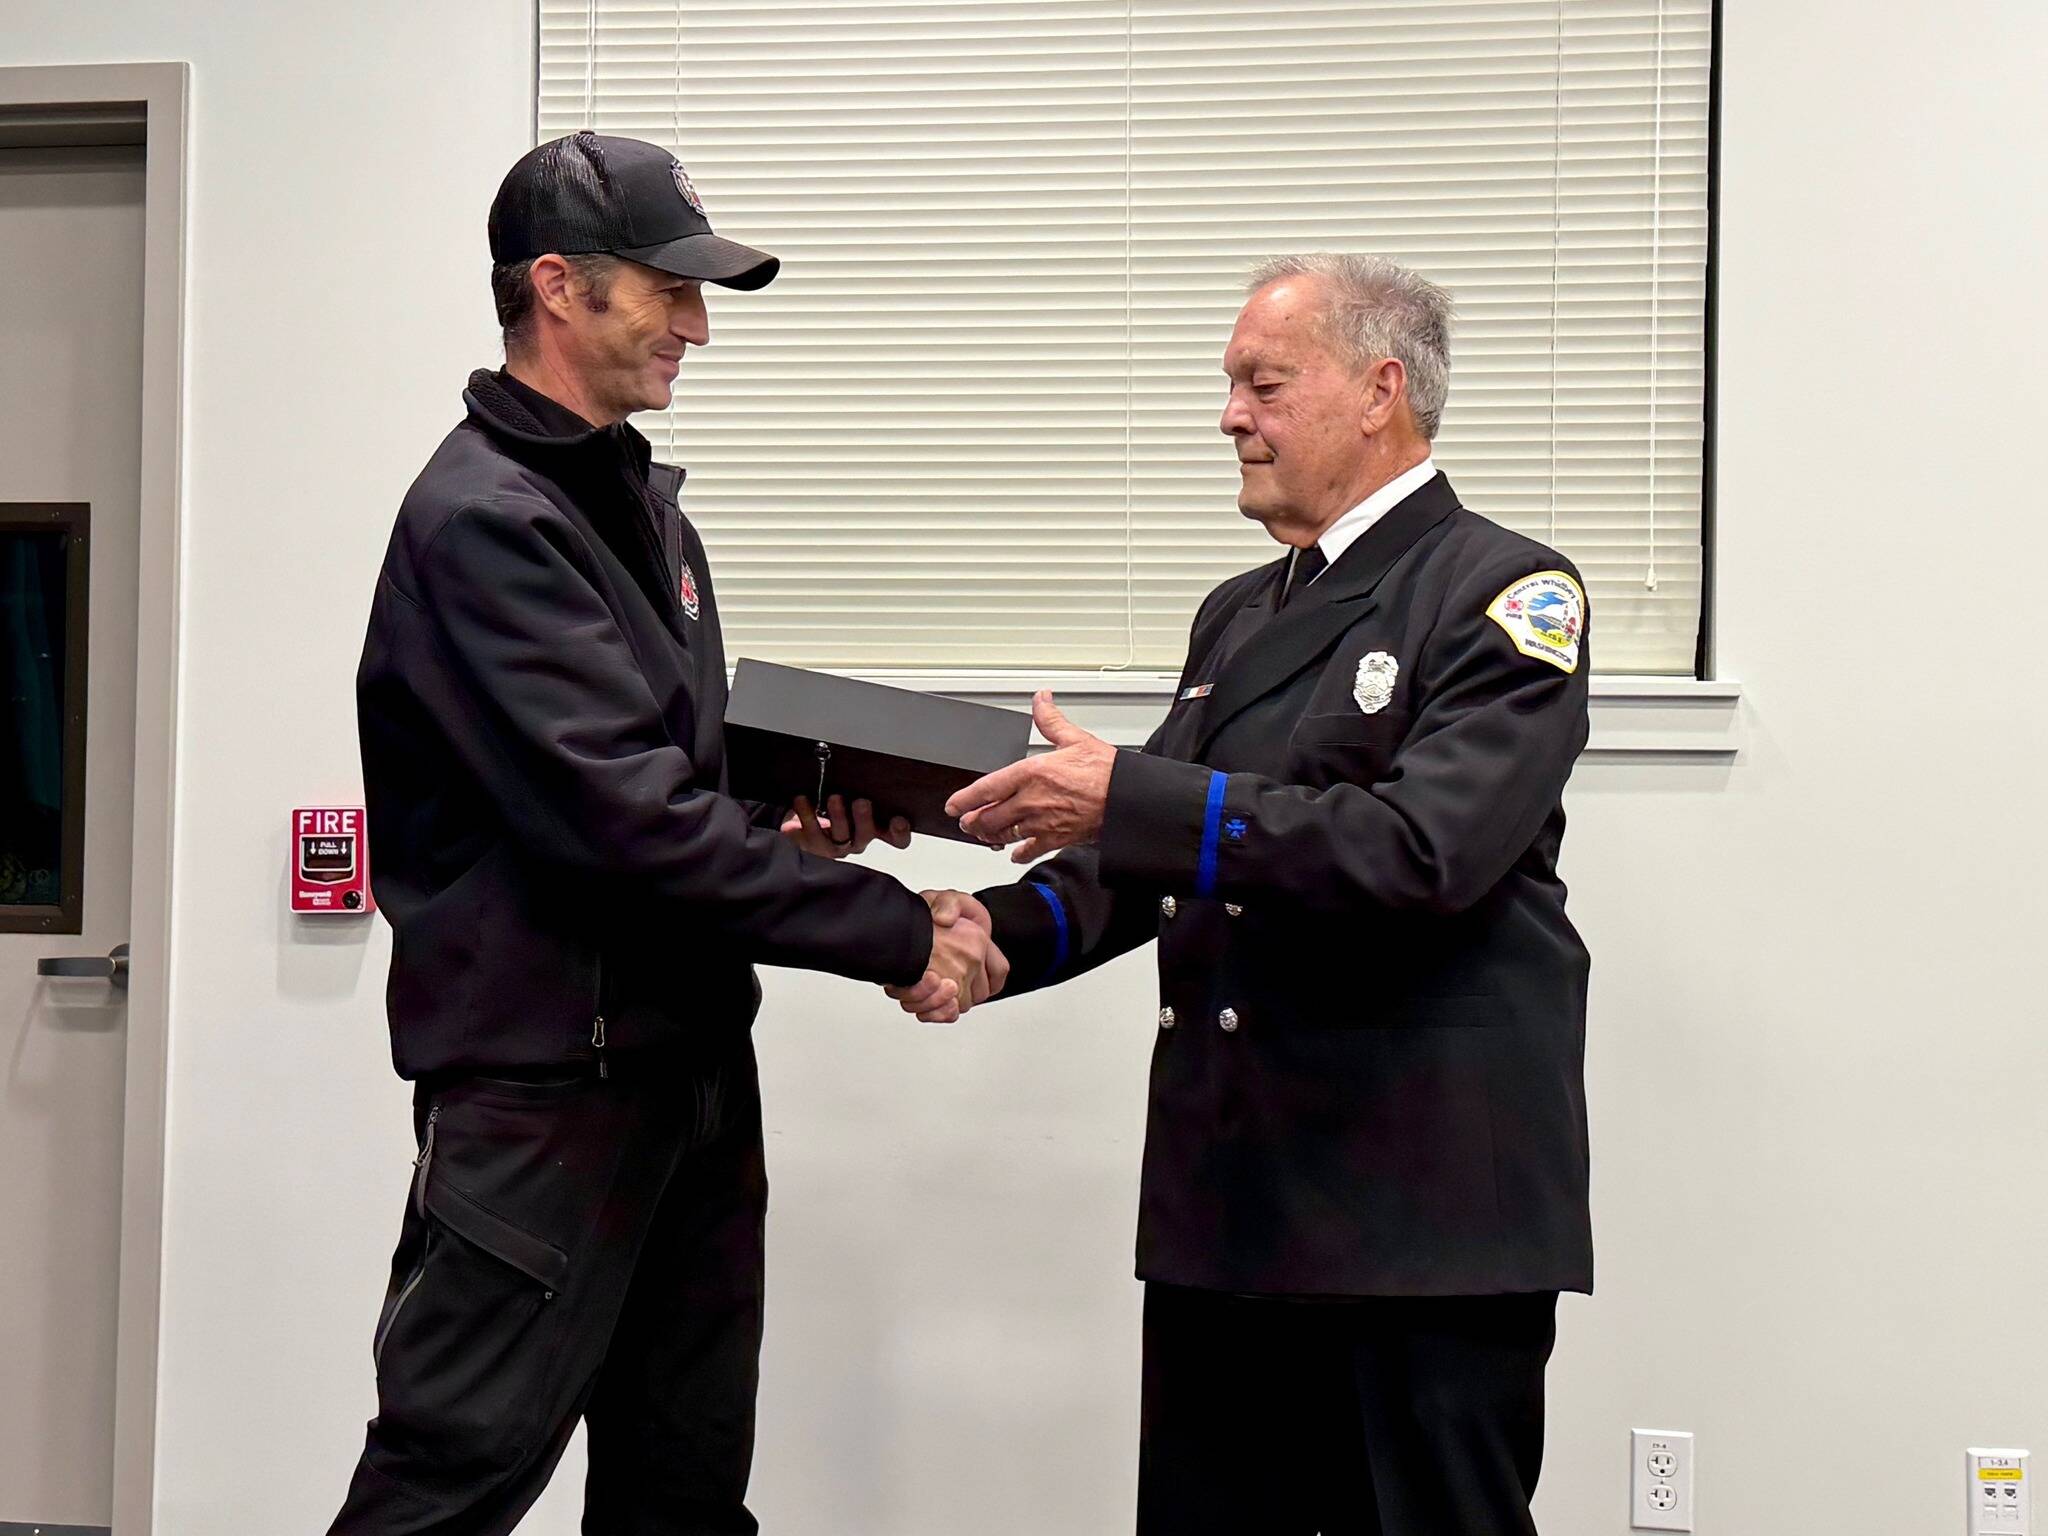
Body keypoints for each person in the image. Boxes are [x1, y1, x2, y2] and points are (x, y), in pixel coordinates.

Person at [333, 131, 1003, 1534]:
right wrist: (898, 932)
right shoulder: (483, 522)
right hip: (541, 1104)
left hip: (688, 1076)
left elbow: (661, 779)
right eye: (670, 291)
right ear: (560, 286)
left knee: (683, 1496)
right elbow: (628, 829)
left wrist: (789, 812)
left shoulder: (639, 506)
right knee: (442, 1493)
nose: (698, 325)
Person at [896, 253, 1592, 1534]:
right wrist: (979, 935)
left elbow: (1421, 851)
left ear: (1379, 390)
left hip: (1416, 1218)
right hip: (1238, 1200)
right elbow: (1155, 865)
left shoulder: (1504, 591)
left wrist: (1132, 800)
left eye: (1261, 383)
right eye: (1232, 385)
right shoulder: (1236, 614)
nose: (1230, 415)